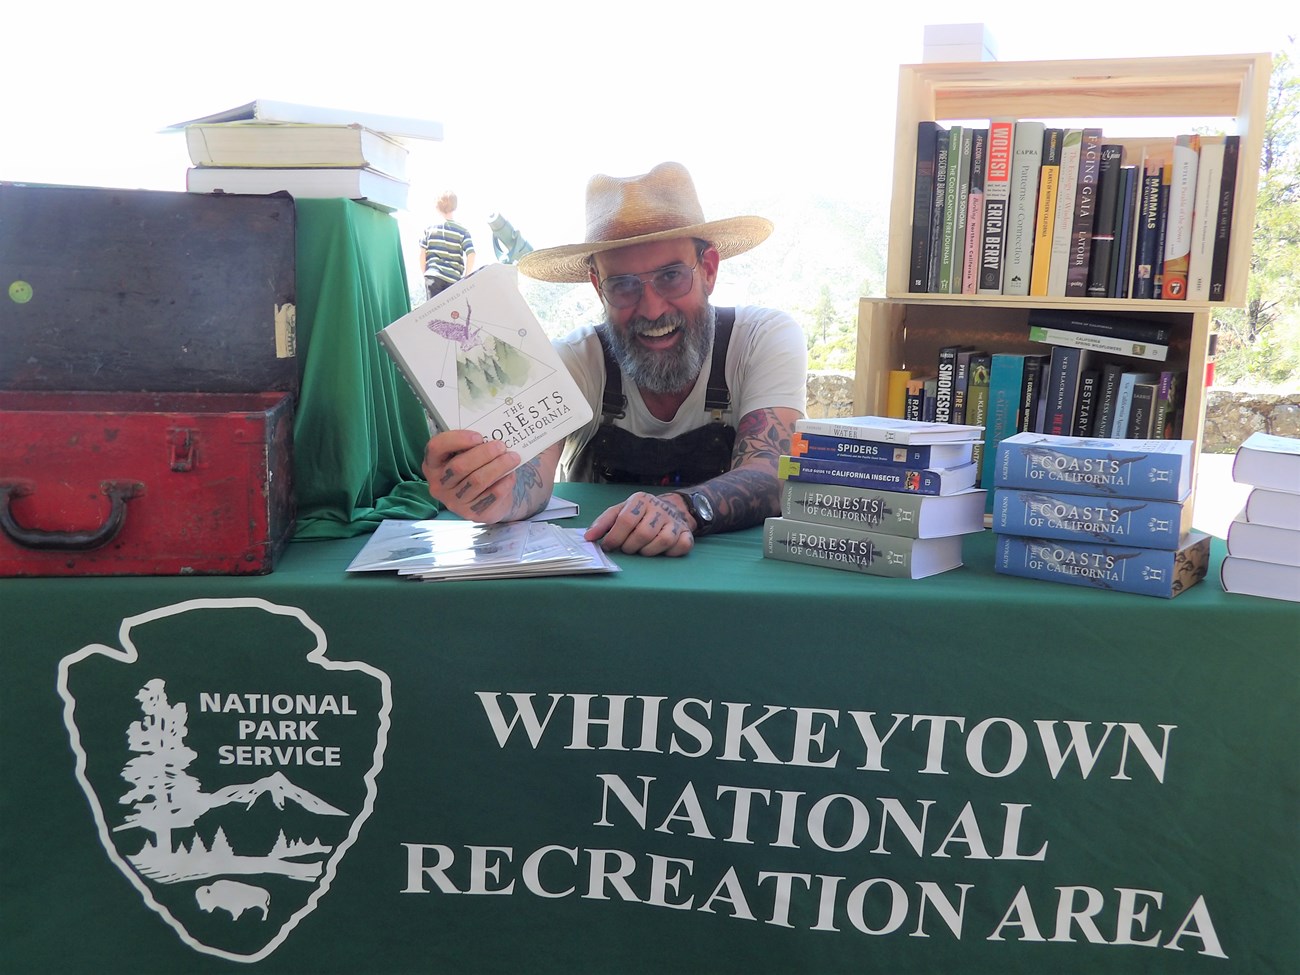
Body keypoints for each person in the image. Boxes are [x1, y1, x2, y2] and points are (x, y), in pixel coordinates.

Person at [420, 161, 807, 557]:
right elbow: (528, 478)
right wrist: (488, 492)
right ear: (597, 287)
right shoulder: (574, 361)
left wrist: (683, 507)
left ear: (708, 270)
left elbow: (774, 471)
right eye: (623, 285)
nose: (653, 309)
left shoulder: (762, 338)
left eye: (672, 276)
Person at [418, 192, 476, 300]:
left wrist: (425, 273)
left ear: (437, 207)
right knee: (452, 314)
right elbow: (471, 254)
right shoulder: (462, 231)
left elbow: (422, 254)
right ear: (455, 206)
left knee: (433, 313)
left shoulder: (429, 229)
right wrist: (467, 276)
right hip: (453, 280)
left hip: (433, 276)